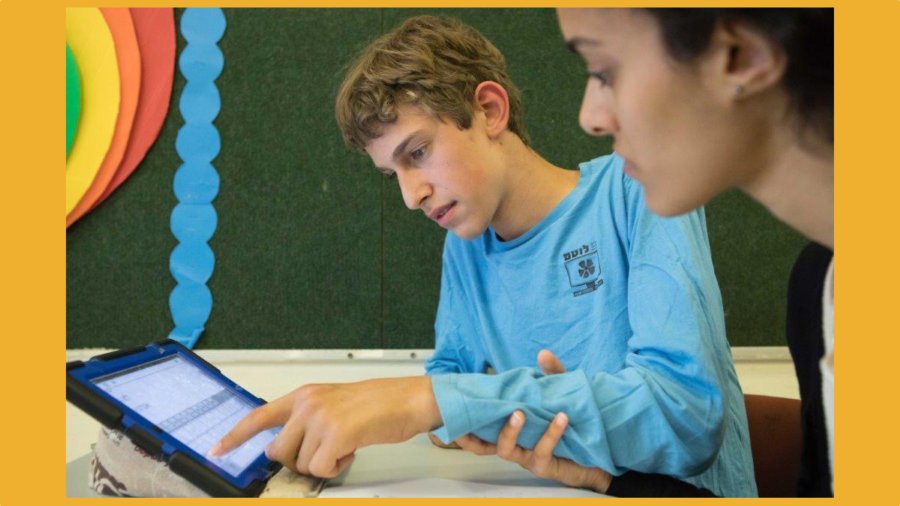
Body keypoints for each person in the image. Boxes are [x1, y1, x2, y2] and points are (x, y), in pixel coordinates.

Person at [211, 15, 757, 497]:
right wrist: (531, 402)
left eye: (418, 153)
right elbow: (449, 388)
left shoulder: (638, 187)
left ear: (490, 110)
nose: (410, 195)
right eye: (392, 174)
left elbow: (683, 419)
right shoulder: (466, 248)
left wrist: (462, 401)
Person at [504, 8, 832, 497]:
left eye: (604, 70)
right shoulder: (817, 285)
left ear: (743, 56)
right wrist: (607, 479)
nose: (590, 117)